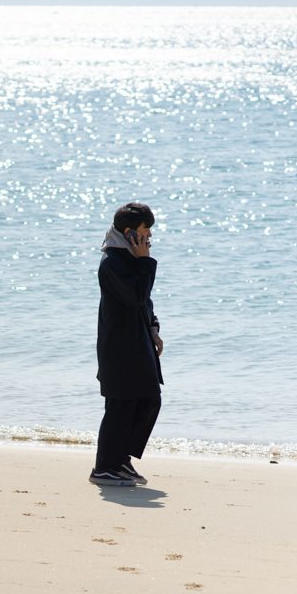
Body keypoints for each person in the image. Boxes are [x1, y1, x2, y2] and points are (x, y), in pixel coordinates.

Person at [90, 202, 164, 487]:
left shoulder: (130, 256)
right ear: (130, 232)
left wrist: (154, 329)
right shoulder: (113, 261)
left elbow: (144, 301)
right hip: (119, 347)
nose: (150, 238)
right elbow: (136, 295)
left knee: (147, 400)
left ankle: (120, 459)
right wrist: (145, 261)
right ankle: (104, 468)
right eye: (146, 231)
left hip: (138, 342)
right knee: (121, 406)